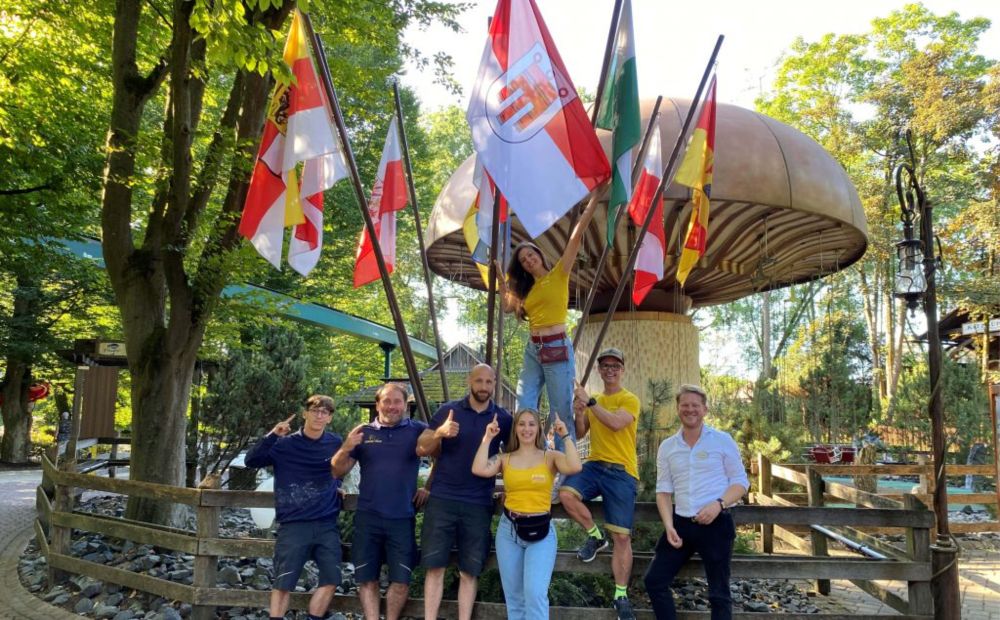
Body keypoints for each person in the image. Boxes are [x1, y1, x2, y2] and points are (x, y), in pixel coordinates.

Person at [499, 197, 599, 448]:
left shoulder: (559, 273)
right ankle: (536, 455)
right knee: (524, 405)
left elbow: (575, 238)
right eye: (523, 260)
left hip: (556, 348)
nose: (528, 260)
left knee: (560, 412)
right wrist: (502, 283)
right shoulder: (527, 290)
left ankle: (566, 470)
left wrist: (595, 199)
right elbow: (508, 307)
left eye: (530, 255)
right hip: (533, 348)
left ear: (539, 255)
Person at [644, 384, 750, 619]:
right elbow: (663, 491)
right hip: (680, 525)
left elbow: (741, 483)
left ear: (705, 409)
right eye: (685, 405)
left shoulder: (722, 440)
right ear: (678, 409)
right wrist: (669, 526)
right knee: (654, 581)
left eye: (695, 405)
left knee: (718, 594)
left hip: (717, 524)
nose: (690, 409)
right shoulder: (668, 447)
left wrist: (718, 504)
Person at [416, 364, 513, 620]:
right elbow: (421, 447)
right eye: (479, 381)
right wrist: (440, 432)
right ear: (470, 381)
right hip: (443, 499)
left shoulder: (502, 418)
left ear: (494, 384)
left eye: (489, 382)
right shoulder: (449, 410)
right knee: (435, 567)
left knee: (470, 571)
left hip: (478, 502)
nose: (483, 387)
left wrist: (510, 490)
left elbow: (514, 457)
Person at [471, 409, 582, 619]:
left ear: (539, 427)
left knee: (535, 594)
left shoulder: (550, 457)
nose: (526, 429)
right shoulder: (505, 459)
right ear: (515, 428)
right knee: (514, 598)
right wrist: (487, 438)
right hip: (509, 531)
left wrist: (565, 435)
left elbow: (575, 467)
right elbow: (478, 469)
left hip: (541, 532)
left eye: (532, 424)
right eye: (522, 424)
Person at [330, 383, 427, 620]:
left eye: (397, 401)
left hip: (402, 518)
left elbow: (443, 457)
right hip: (368, 517)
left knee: (402, 581)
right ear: (378, 404)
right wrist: (345, 447)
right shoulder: (362, 431)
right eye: (387, 401)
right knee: (366, 578)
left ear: (405, 404)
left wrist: (429, 486)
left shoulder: (419, 430)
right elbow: (336, 471)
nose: (392, 406)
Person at [558, 347, 641, 620]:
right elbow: (581, 432)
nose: (610, 370)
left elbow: (617, 424)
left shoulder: (630, 399)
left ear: (622, 370)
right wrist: (579, 411)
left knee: (622, 536)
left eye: (615, 366)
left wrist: (590, 403)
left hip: (621, 472)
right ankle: (595, 536)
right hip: (594, 465)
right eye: (605, 365)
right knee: (566, 493)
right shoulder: (595, 401)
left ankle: (620, 595)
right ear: (599, 370)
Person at [244, 395, 344, 620]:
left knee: (331, 580)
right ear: (305, 413)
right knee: (283, 582)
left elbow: (339, 468)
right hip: (293, 523)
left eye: (325, 412)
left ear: (330, 418)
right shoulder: (284, 444)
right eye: (315, 410)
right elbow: (251, 461)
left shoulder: (335, 442)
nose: (319, 415)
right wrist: (272, 435)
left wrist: (338, 484)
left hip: (327, 522)